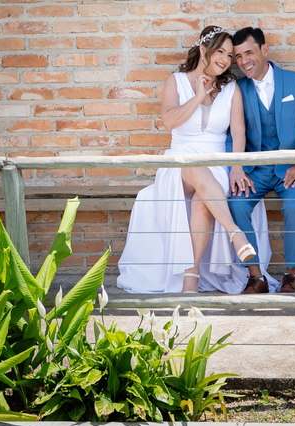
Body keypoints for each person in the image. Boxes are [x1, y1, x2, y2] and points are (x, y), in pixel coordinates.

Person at [116, 26, 277, 294]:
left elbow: (238, 131)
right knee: (194, 169)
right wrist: (199, 96)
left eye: (229, 54)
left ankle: (191, 276)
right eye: (220, 52)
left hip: (216, 165)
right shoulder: (176, 81)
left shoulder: (230, 87)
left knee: (204, 201)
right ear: (204, 50)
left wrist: (237, 167)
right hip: (178, 162)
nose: (226, 60)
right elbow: (169, 121)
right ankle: (236, 234)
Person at [228, 26, 295, 295]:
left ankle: (292, 274)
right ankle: (256, 277)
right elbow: (231, 132)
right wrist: (237, 169)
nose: (244, 61)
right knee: (236, 204)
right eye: (238, 56)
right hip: (254, 170)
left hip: (289, 169)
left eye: (249, 53)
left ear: (264, 50)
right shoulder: (237, 89)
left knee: (293, 208)